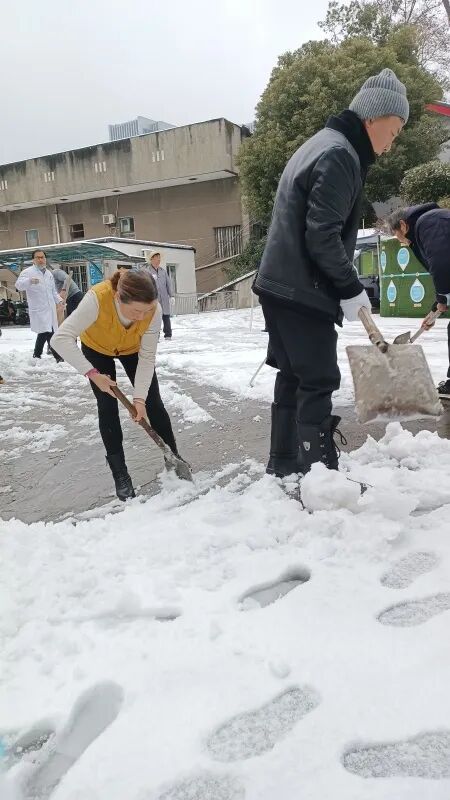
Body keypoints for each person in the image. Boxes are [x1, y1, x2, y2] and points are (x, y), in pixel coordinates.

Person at [253, 68, 409, 477]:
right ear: (372, 119)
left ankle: (285, 463)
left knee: (293, 374)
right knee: (319, 378)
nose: (390, 146)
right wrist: (349, 286)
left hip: (279, 283)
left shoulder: (320, 144)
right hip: (302, 287)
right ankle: (319, 474)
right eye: (392, 133)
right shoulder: (341, 154)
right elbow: (321, 234)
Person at [51, 269, 182, 501]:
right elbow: (60, 339)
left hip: (133, 350)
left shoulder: (153, 309)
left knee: (153, 403)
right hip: (97, 349)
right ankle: (120, 473)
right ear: (118, 298)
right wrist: (92, 374)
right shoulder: (97, 299)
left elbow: (147, 356)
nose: (142, 317)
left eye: (147, 310)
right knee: (107, 405)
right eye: (136, 311)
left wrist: (139, 399)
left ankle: (173, 458)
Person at [388, 202, 450, 396]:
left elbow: (441, 262)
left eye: (397, 235)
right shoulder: (432, 220)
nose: (401, 241)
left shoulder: (429, 221)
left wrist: (443, 297)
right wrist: (435, 309)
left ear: (403, 225)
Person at [15, 250, 64, 361]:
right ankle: (57, 357)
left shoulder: (48, 274)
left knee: (45, 332)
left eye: (42, 257)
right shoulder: (28, 272)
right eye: (38, 257)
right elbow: (18, 285)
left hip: (50, 309)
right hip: (39, 309)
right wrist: (29, 281)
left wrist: (59, 301)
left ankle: (37, 355)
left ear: (45, 259)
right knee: (48, 332)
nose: (40, 260)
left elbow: (53, 291)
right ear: (33, 259)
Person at [145, 250, 174, 338]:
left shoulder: (163, 271)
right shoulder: (147, 271)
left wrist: (171, 295)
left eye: (159, 258)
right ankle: (156, 335)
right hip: (154, 299)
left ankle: (168, 334)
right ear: (152, 259)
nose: (159, 259)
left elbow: (168, 284)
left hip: (164, 297)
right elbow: (146, 285)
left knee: (166, 316)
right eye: (157, 258)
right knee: (155, 317)